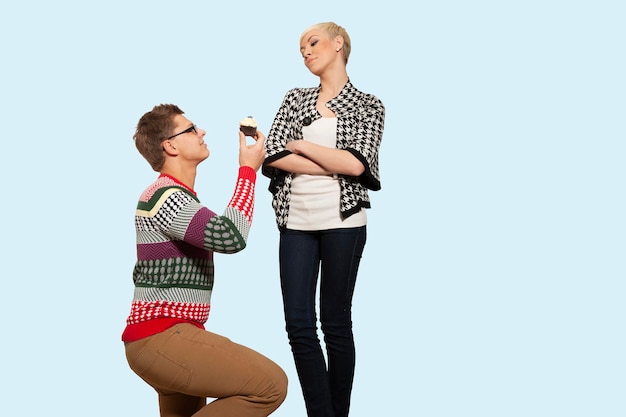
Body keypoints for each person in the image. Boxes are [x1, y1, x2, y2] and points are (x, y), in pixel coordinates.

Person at [122, 104, 287, 417]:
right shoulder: (164, 197)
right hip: (162, 337)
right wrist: (247, 170)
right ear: (170, 146)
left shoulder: (179, 197)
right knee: (269, 386)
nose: (202, 132)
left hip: (170, 336)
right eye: (190, 129)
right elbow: (230, 237)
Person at [262, 22, 385, 417]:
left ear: (338, 44)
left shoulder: (368, 104)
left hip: (343, 223)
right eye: (301, 48)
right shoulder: (295, 98)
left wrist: (301, 144)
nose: (305, 52)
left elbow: (358, 164)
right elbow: (273, 157)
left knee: (334, 323)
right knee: (298, 324)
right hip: (294, 220)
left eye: (312, 43)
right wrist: (332, 162)